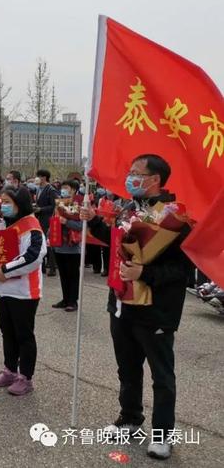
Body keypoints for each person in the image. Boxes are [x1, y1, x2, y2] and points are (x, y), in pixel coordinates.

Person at [80, 154, 191, 460]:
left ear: (155, 179)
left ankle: (163, 434)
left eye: (135, 173)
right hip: (121, 304)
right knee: (127, 367)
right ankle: (130, 417)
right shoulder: (131, 207)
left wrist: (146, 274)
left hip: (155, 310)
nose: (130, 178)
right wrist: (94, 223)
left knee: (161, 375)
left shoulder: (175, 217)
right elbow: (119, 244)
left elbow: (183, 272)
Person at [0, 186, 47, 396]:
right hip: (0, 289)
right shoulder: (0, 222)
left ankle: (26, 376)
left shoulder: (31, 226)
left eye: (7, 202)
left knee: (23, 334)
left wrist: (5, 270)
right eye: (1, 201)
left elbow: (34, 255)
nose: (2, 206)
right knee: (7, 332)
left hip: (23, 291)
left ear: (20, 203)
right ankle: (9, 369)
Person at [51, 180, 83, 312]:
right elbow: (53, 221)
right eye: (62, 187)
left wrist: (66, 221)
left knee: (73, 275)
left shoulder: (77, 205)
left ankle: (73, 301)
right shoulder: (58, 204)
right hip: (58, 245)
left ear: (74, 190)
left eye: (66, 188)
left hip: (72, 247)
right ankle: (65, 299)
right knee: (63, 275)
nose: (63, 190)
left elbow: (81, 226)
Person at [34, 169, 58, 277]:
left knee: (49, 243)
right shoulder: (38, 189)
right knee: (41, 241)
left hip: (48, 219)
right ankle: (42, 266)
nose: (37, 178)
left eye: (39, 176)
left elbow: (54, 206)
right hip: (40, 219)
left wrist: (41, 209)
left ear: (44, 177)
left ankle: (52, 266)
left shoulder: (51, 190)